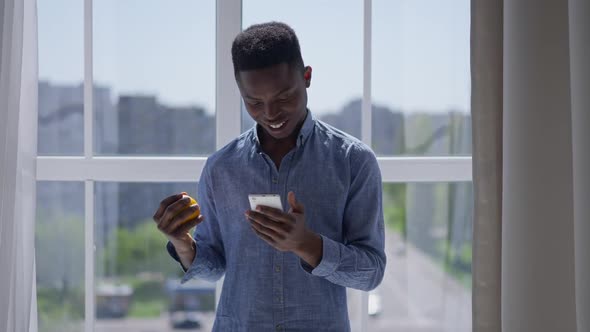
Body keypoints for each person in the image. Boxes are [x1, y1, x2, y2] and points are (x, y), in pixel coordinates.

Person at [152, 21, 385, 331]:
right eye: (254, 102)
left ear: (307, 77)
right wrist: (182, 243)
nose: (271, 114)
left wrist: (307, 244)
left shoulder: (354, 161)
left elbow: (371, 273)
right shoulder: (220, 168)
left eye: (284, 97)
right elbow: (215, 267)